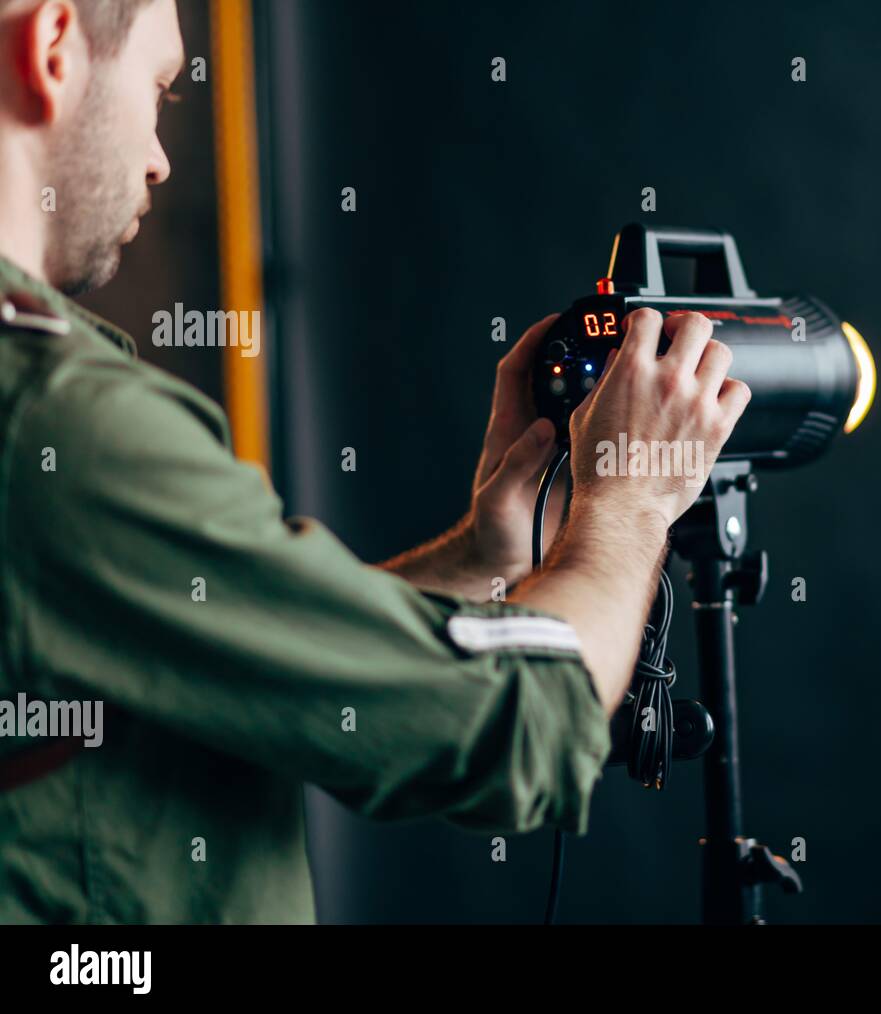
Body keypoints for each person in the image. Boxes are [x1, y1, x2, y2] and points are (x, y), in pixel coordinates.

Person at [0, 0, 750, 923]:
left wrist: (485, 555)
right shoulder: (57, 423)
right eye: (160, 89)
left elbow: (260, 671)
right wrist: (630, 502)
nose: (160, 156)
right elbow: (511, 732)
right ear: (53, 46)